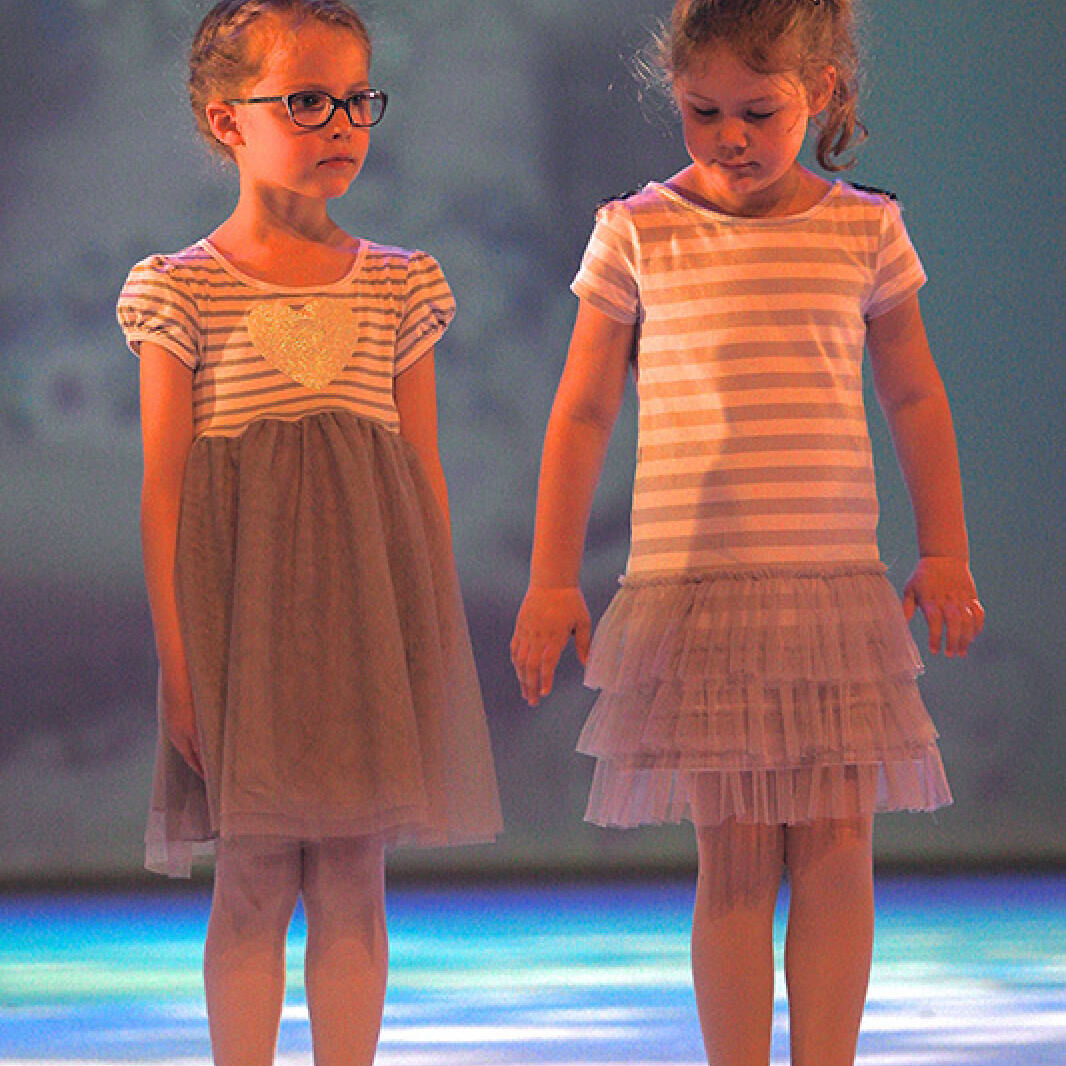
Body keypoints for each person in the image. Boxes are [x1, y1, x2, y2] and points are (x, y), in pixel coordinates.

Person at [511, 1, 983, 1063]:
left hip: (829, 593)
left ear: (819, 92)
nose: (729, 136)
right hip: (701, 594)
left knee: (835, 851)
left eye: (758, 113)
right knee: (733, 859)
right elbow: (583, 410)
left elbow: (913, 393)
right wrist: (551, 577)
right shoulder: (638, 229)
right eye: (703, 111)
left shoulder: (864, 227)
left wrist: (944, 549)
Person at [117, 2, 502, 1062]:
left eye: (354, 101)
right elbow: (165, 490)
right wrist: (180, 664)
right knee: (252, 875)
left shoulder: (400, 283)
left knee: (351, 874)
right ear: (226, 120)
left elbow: (419, 476)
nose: (338, 123)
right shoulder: (180, 289)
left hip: (365, 633)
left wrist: (429, 643)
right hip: (243, 634)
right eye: (305, 101)